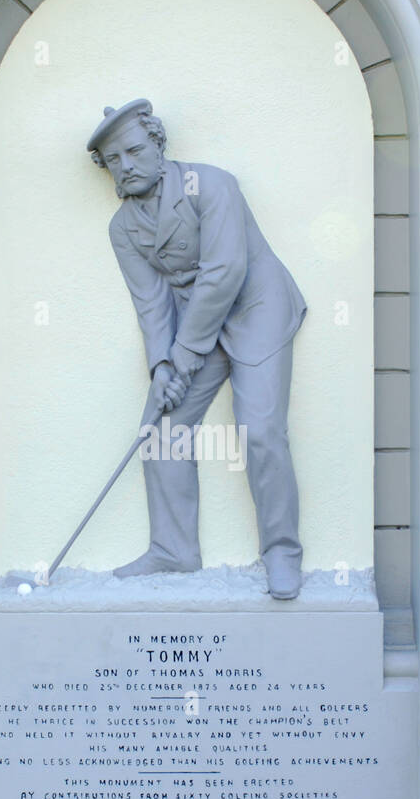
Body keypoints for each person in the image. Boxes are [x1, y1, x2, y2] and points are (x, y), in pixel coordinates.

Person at [87, 98, 307, 600]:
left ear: (159, 144)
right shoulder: (123, 228)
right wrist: (163, 365)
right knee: (160, 428)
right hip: (194, 327)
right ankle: (174, 548)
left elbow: (225, 272)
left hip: (257, 311)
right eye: (114, 159)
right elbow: (152, 303)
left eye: (135, 150)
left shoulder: (212, 184)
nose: (127, 164)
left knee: (262, 431)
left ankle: (281, 552)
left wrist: (184, 353)